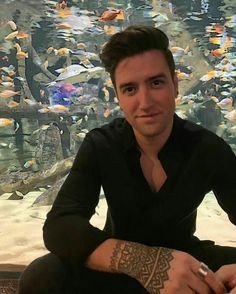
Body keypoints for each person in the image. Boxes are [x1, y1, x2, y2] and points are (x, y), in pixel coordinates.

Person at [18, 25, 236, 293]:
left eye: (156, 83)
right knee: (40, 276)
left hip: (187, 260)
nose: (144, 101)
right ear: (118, 97)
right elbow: (60, 225)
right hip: (117, 264)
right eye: (130, 89)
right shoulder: (101, 144)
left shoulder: (209, 149)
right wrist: (147, 263)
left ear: (175, 85)